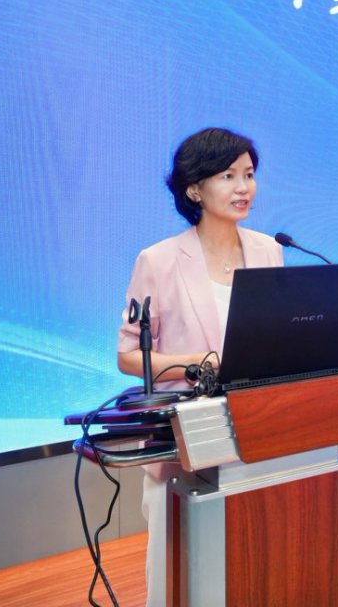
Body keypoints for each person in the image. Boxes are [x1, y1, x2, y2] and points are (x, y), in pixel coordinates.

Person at [117, 127, 283, 607]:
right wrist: (199, 363)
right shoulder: (159, 260)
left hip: (258, 434)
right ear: (194, 189)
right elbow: (128, 356)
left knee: (254, 572)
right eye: (228, 176)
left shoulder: (269, 250)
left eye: (248, 175)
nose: (243, 187)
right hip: (187, 441)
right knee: (182, 579)